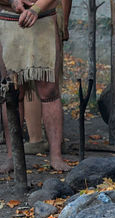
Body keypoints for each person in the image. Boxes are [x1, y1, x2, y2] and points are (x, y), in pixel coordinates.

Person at [0, 0, 71, 172]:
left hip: (44, 19)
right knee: (12, 91)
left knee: (49, 91)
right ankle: (12, 156)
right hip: (8, 19)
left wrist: (36, 9)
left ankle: (56, 156)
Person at [23, 0, 72, 155]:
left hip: (24, 16)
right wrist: (64, 22)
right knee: (45, 81)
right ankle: (41, 140)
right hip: (43, 16)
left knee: (32, 79)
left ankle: (36, 139)